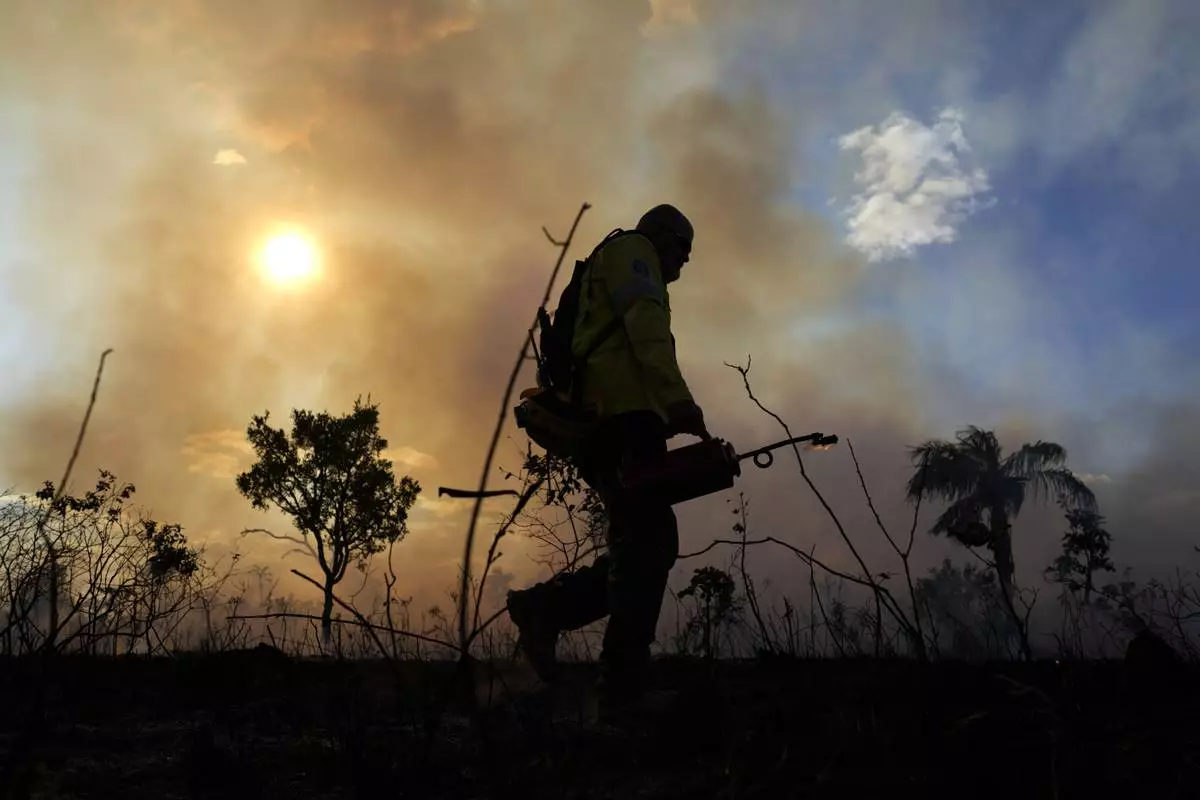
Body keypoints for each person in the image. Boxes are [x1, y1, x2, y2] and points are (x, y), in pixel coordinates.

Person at [506, 203, 709, 722]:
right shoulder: (634, 254)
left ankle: (546, 610)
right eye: (683, 251)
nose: (684, 266)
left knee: (640, 546)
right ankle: (623, 689)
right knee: (650, 543)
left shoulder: (614, 261)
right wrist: (678, 400)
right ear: (663, 238)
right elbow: (645, 331)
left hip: (615, 423)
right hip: (621, 422)